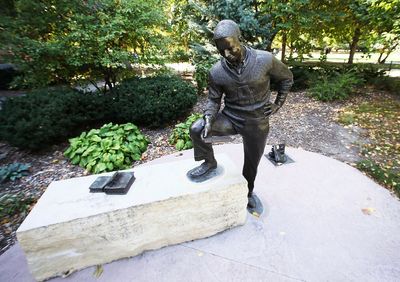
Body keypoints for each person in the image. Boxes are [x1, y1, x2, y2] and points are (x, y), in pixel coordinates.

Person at [187, 19, 293, 211]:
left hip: (257, 122)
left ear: (240, 39)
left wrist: (278, 104)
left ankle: (247, 193)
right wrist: (209, 118)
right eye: (221, 51)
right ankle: (209, 163)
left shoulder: (265, 60)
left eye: (231, 48)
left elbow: (287, 78)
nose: (227, 55)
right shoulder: (216, 71)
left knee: (251, 163)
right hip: (231, 118)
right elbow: (213, 100)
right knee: (197, 129)